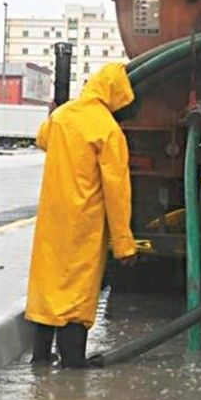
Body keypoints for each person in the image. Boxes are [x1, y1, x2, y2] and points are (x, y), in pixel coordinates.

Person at [26, 63, 139, 368]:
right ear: (114, 93)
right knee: (76, 292)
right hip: (84, 224)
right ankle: (72, 364)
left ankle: (40, 357)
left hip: (52, 221)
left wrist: (55, 112)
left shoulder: (62, 117)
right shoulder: (108, 130)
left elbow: (41, 139)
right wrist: (124, 243)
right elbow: (117, 192)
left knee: (48, 287)